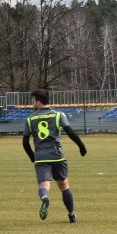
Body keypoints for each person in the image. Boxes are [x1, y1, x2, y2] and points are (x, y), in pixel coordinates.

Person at [22, 89, 87, 223]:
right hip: (57, 156)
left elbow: (25, 142)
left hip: (41, 156)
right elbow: (70, 132)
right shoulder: (58, 115)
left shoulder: (30, 119)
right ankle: (71, 214)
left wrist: (33, 157)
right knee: (64, 186)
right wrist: (81, 146)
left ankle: (45, 197)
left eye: (34, 101)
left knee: (43, 186)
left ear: (38, 102)